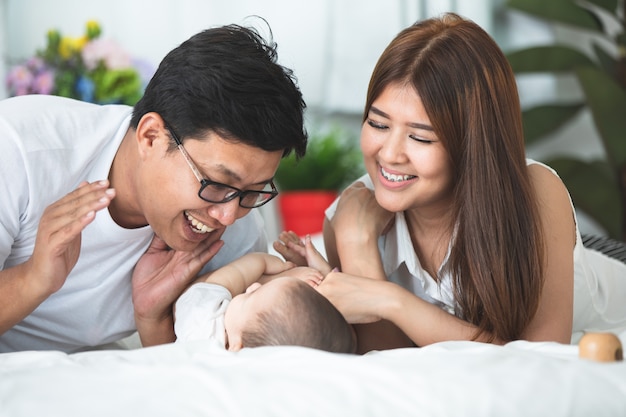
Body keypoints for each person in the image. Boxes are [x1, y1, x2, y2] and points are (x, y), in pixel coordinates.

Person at [278, 13, 626, 354]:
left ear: (472, 144)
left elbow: (538, 357)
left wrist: (392, 301)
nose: (390, 154)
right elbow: (387, 365)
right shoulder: (351, 216)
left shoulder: (535, 193)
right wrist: (357, 240)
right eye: (378, 124)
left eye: (420, 137)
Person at [0, 22, 307, 353]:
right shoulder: (21, 148)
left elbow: (201, 377)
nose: (229, 215)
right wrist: (33, 280)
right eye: (217, 183)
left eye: (252, 192)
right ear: (150, 137)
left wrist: (153, 319)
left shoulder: (237, 234)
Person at [175, 236, 356, 353]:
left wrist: (261, 264)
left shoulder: (204, 331)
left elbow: (204, 289)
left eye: (250, 297)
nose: (252, 286)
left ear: (239, 347)